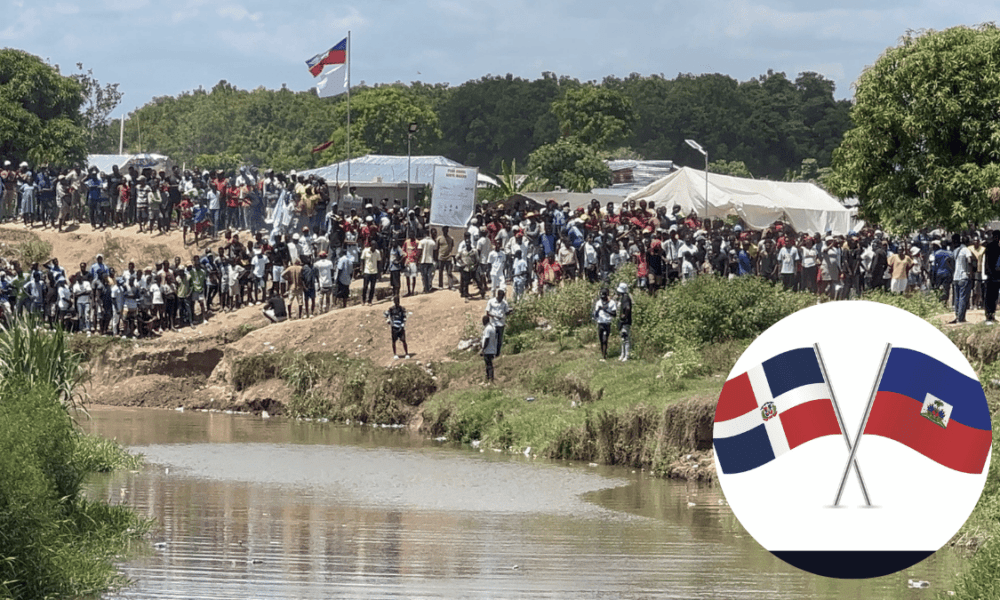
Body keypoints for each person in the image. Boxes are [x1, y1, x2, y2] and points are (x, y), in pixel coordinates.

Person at [951, 234, 973, 324]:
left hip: (955, 277)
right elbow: (969, 261)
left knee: (957, 298)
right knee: (963, 297)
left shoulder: (956, 250)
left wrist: (954, 269)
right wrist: (970, 272)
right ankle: (961, 318)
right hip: (964, 276)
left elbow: (949, 260)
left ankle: (957, 316)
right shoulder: (966, 250)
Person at [485, 289, 512, 356]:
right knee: (493, 339)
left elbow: (506, 312)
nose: (501, 298)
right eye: (500, 297)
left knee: (499, 340)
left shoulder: (504, 303)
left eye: (502, 297)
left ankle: (497, 353)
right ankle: (491, 353)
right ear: (498, 295)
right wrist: (495, 316)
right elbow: (487, 313)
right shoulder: (491, 302)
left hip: (501, 324)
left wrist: (511, 311)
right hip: (493, 324)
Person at [593, 287, 617, 361]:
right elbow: (595, 315)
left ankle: (604, 356)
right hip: (600, 323)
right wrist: (597, 311)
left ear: (607, 296)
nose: (602, 298)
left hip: (607, 323)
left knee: (605, 340)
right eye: (601, 297)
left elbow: (614, 314)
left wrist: (605, 310)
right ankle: (603, 353)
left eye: (604, 297)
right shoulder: (598, 303)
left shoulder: (612, 303)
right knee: (601, 340)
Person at [985, 231, 1000, 324]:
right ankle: (989, 315)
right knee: (991, 296)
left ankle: (991, 314)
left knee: (993, 296)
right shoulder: (990, 247)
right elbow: (987, 262)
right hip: (992, 275)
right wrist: (989, 272)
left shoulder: (992, 247)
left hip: (994, 275)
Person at [617, 282, 632, 361]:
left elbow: (627, 308)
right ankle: (623, 354)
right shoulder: (623, 297)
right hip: (622, 321)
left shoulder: (626, 298)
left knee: (625, 338)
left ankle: (626, 355)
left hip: (625, 321)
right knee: (622, 338)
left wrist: (624, 315)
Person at [480, 314, 497, 384]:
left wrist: (483, 349)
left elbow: (486, 339)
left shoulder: (487, 329)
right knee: (488, 365)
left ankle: (490, 380)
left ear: (485, 321)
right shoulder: (491, 328)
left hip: (488, 350)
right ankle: (487, 380)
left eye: (483, 321)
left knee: (489, 365)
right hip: (491, 349)